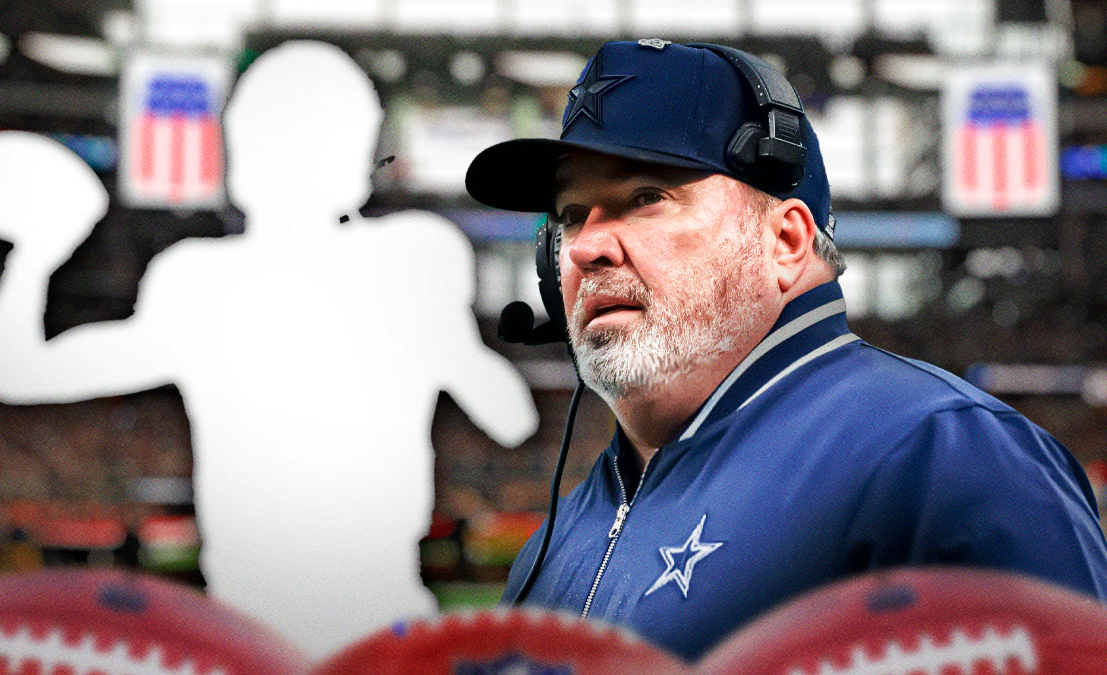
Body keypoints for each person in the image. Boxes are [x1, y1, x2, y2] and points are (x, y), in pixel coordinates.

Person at [464, 39, 1107, 663]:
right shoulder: (559, 537)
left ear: (786, 240)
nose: (585, 247)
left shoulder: (943, 462)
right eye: (573, 215)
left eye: (646, 198)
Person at [0, 41, 539, 656]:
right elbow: (514, 420)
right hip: (341, 628)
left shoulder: (201, 281)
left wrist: (37, 251)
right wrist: (449, 344)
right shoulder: (404, 258)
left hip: (273, 629)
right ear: (356, 156)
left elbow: (16, 372)